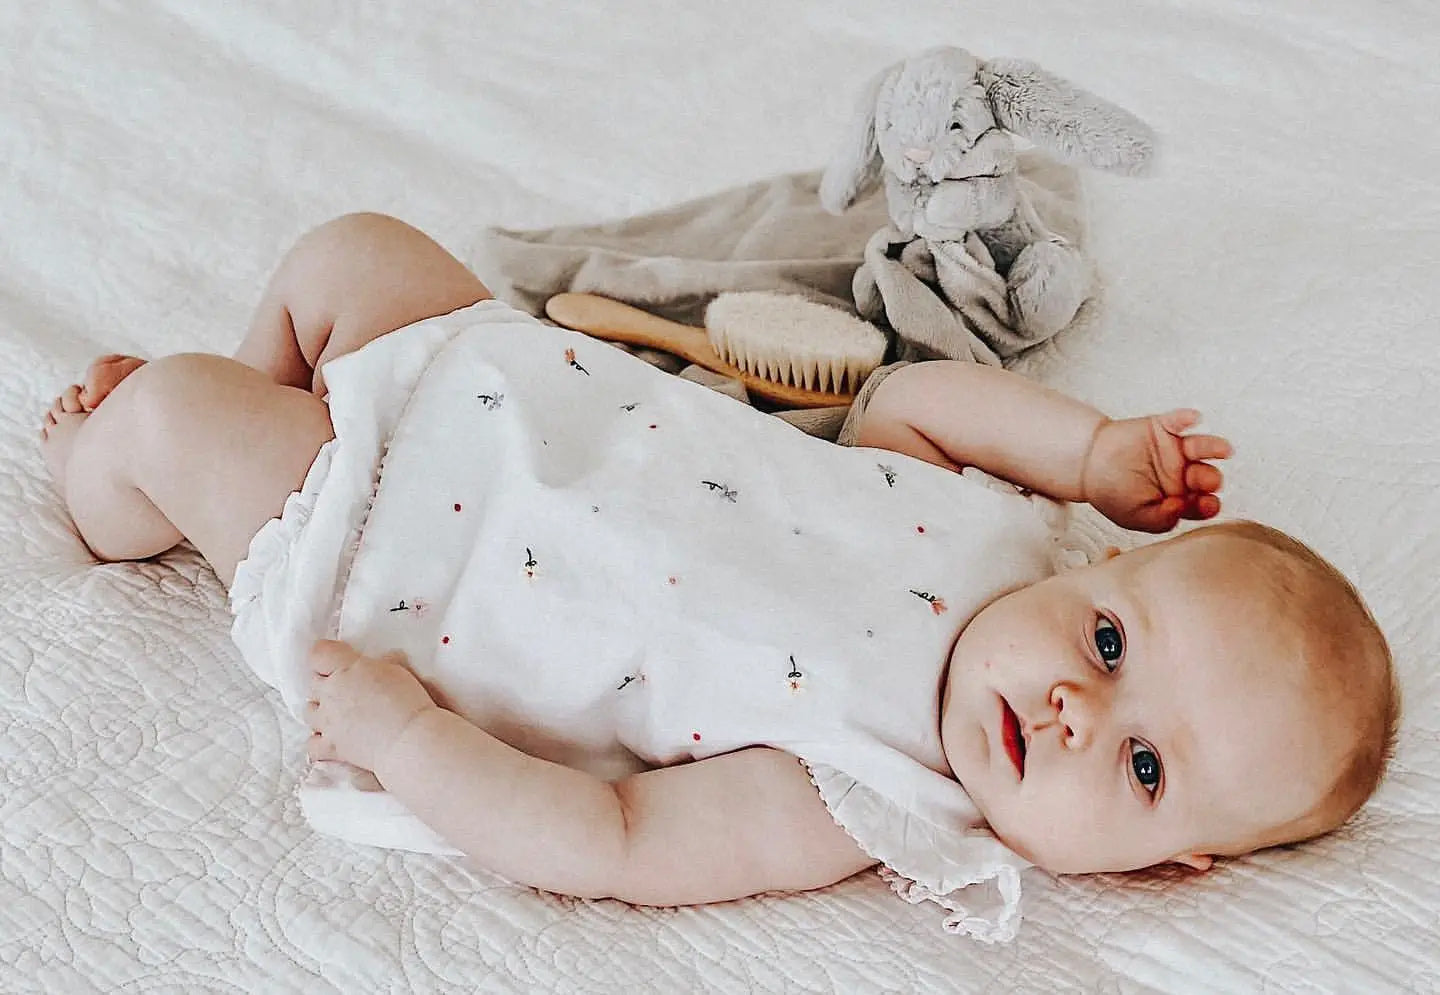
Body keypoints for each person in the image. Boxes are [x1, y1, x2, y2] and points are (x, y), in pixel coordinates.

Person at [38, 213, 1397, 939]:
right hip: (509, 396)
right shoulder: (1012, 536)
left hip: (412, 558)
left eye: (1144, 768)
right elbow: (905, 403)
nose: (1075, 714)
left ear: (1164, 869)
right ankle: (243, 420)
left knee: (172, 415)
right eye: (1108, 646)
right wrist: (1087, 451)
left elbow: (613, 841)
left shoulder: (871, 792)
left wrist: (407, 743)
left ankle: (112, 489)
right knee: (351, 253)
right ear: (1110, 570)